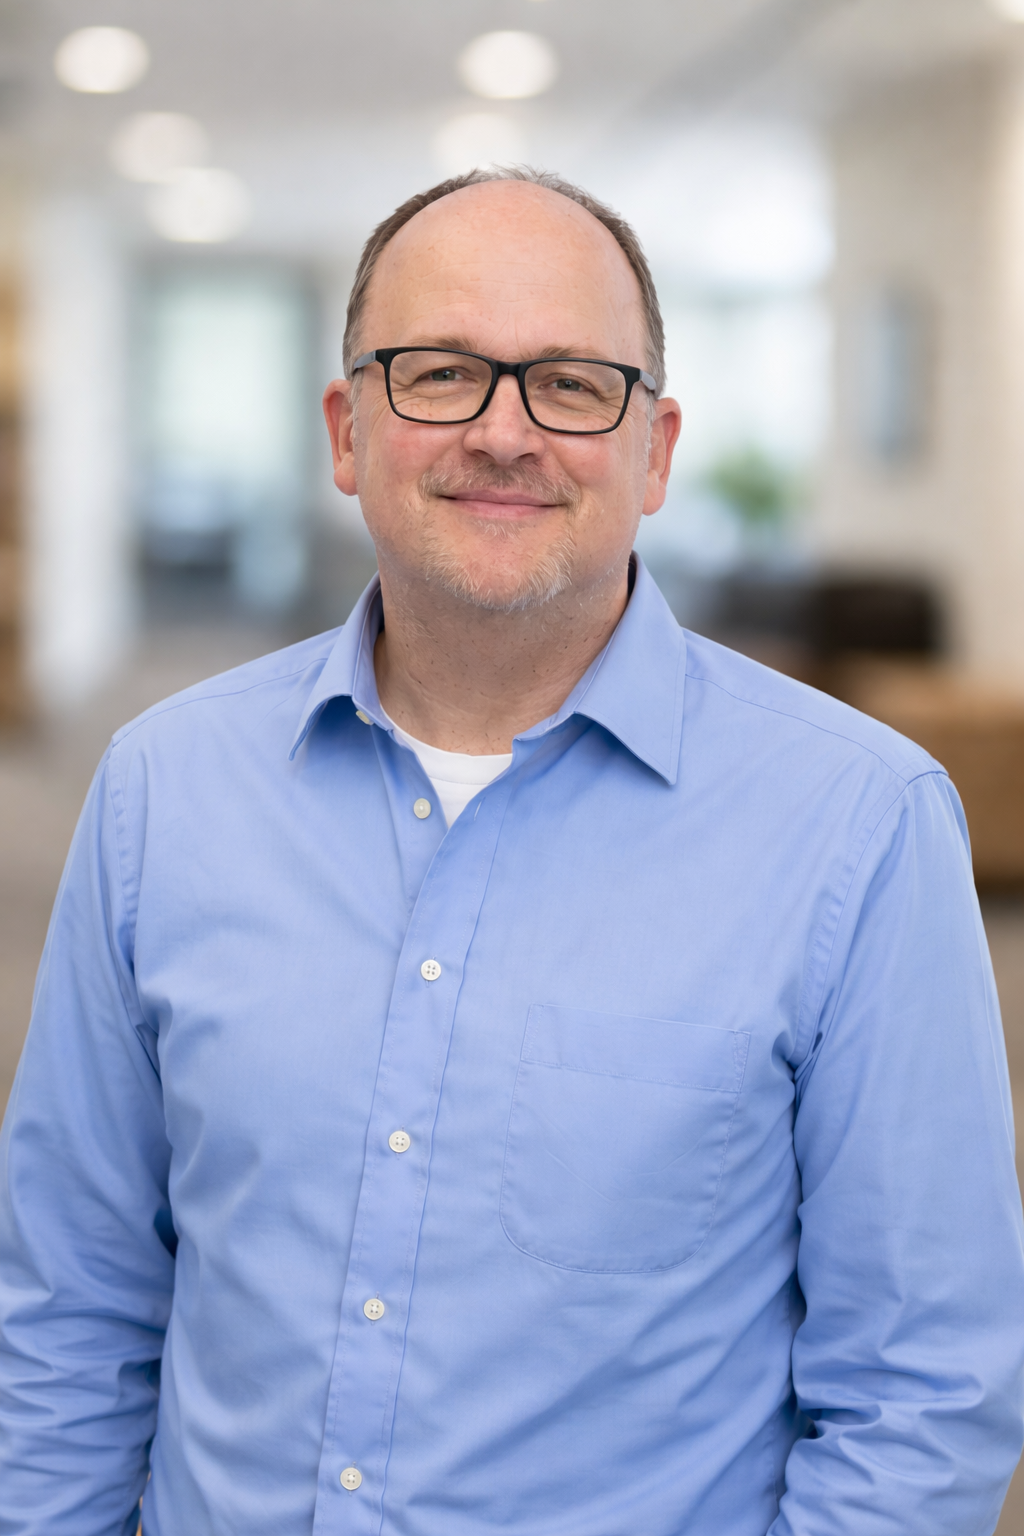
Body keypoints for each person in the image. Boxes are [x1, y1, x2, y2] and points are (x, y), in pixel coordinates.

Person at [0, 167, 1022, 1536]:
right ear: (346, 430)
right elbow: (66, 1309)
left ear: (654, 451)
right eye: (438, 373)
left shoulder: (860, 823)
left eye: (571, 384)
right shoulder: (160, 791)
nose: (503, 431)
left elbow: (923, 1392)